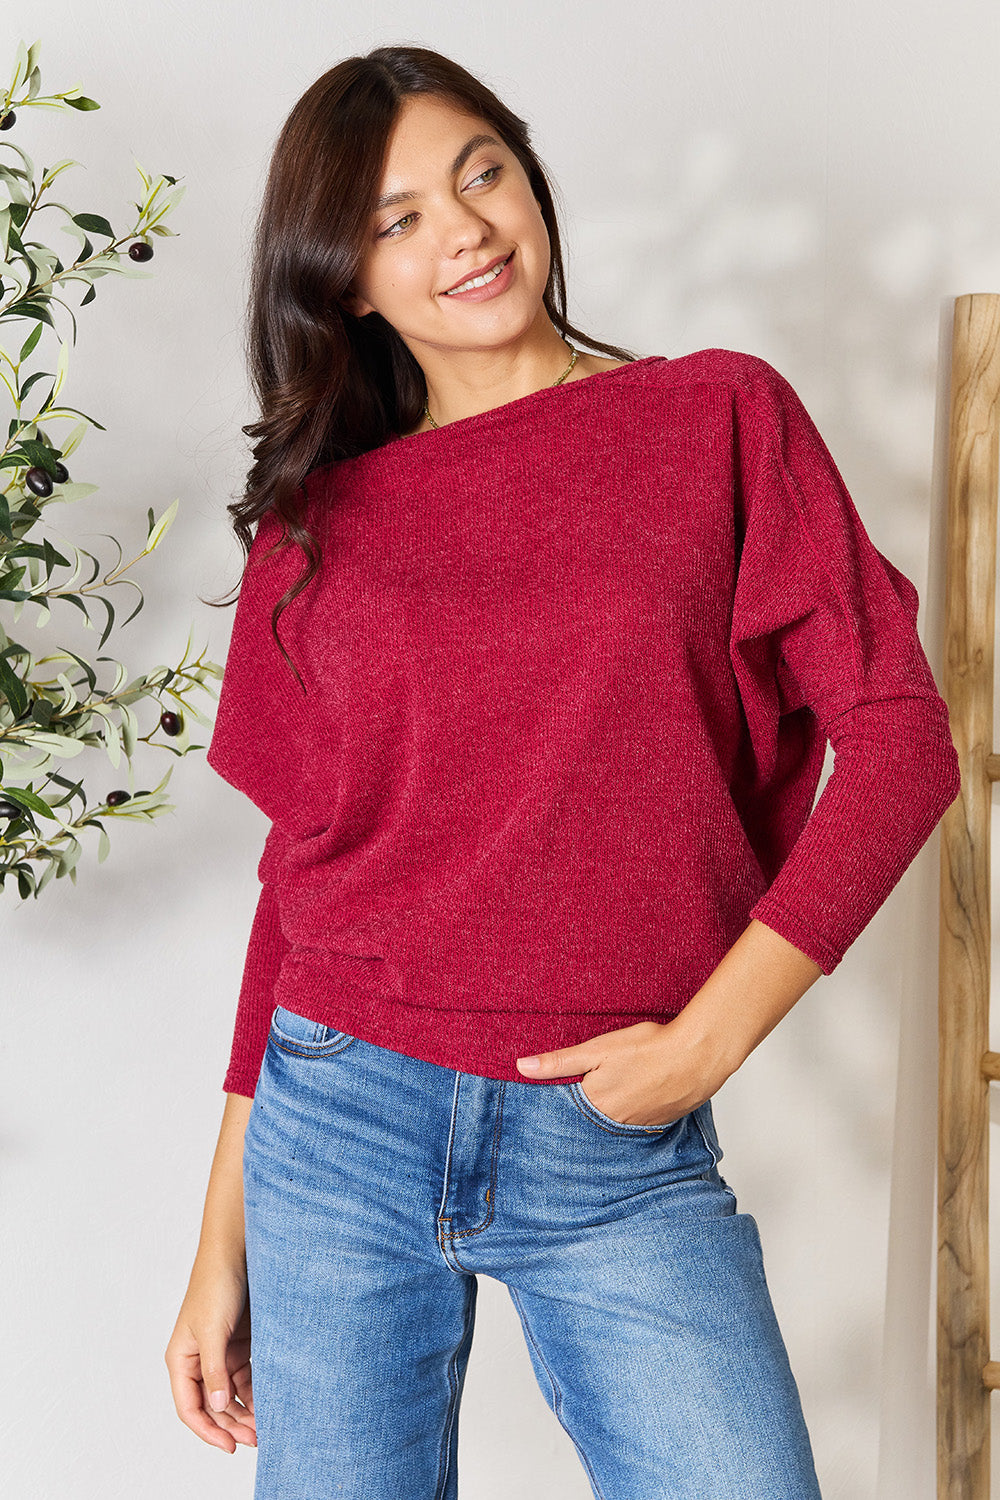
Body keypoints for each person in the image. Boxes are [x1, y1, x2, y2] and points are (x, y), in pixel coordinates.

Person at [164, 43, 961, 1500]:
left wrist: (706, 1046)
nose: (462, 229)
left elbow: (905, 737)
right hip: (333, 1123)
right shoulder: (319, 520)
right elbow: (303, 872)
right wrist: (220, 1237)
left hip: (612, 1140)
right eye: (396, 217)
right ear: (342, 277)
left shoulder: (716, 418)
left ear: (529, 176)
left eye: (481, 171)